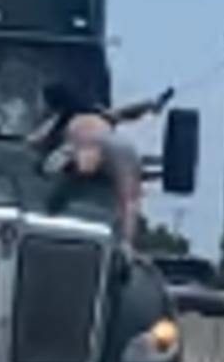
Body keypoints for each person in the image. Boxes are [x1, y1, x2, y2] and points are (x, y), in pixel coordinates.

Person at [28, 80, 174, 254]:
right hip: (121, 145)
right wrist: (151, 105)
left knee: (84, 163)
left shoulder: (62, 118)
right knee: (130, 201)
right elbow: (128, 113)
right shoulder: (98, 113)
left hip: (89, 143)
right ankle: (127, 245)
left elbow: (34, 141)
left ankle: (71, 164)